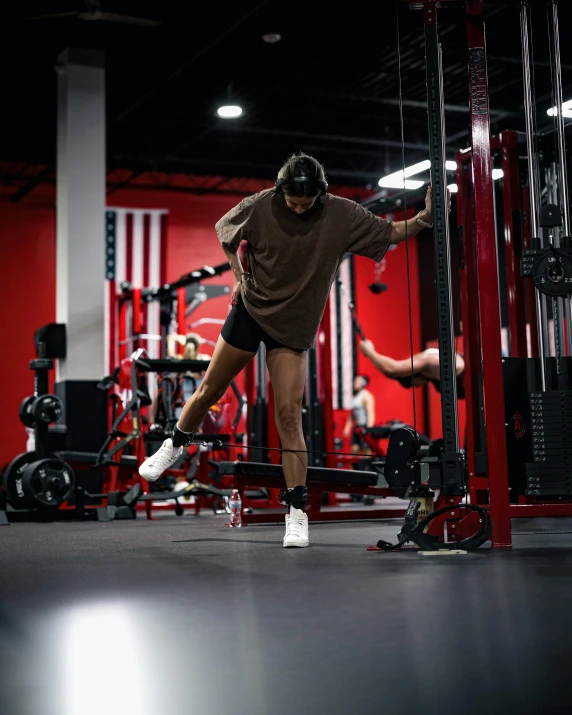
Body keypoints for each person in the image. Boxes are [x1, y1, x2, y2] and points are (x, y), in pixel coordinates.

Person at [139, 152, 442, 548]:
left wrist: (424, 218)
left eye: (307, 201)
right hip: (250, 311)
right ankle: (174, 444)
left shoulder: (341, 214)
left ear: (321, 193)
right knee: (209, 389)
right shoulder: (260, 204)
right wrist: (239, 274)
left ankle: (296, 512)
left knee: (288, 415)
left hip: (295, 327)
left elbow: (388, 233)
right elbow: (225, 231)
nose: (299, 207)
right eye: (293, 201)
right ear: (281, 190)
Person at [359, 341, 465, 399]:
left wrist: (369, 352)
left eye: (414, 385)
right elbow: (392, 374)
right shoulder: (433, 375)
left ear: (413, 376)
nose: (418, 386)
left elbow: (391, 369)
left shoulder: (429, 360)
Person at [343, 375, 375, 455]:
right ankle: (355, 466)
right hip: (357, 426)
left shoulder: (367, 397)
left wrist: (369, 430)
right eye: (355, 382)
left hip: (364, 426)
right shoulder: (355, 397)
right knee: (354, 448)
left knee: (366, 449)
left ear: (363, 384)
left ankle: (367, 466)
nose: (355, 384)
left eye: (357, 382)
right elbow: (352, 414)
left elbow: (370, 414)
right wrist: (348, 426)